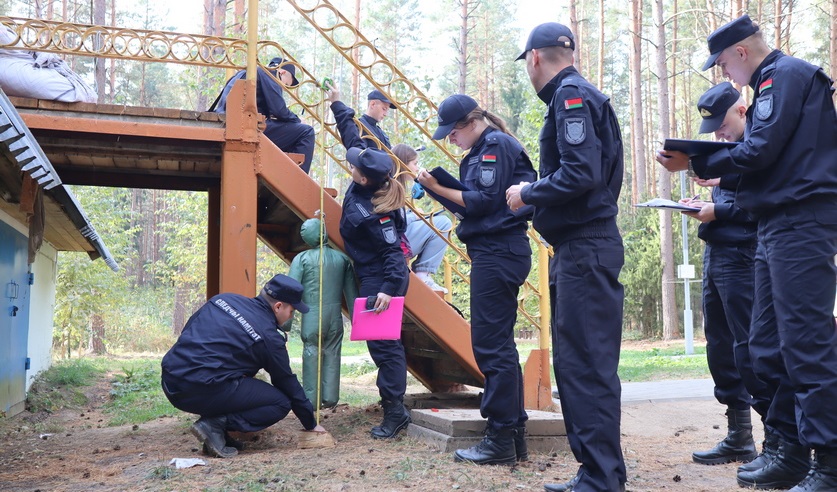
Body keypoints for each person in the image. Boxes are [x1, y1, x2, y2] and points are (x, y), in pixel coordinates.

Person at [656, 14, 837, 491]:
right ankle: (788, 451)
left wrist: (695, 158)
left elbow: (759, 150)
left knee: (808, 346)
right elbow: (762, 156)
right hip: (773, 223)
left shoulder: (785, 75)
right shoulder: (768, 86)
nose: (724, 73)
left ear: (740, 51)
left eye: (722, 63)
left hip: (801, 223)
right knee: (767, 346)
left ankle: (830, 463)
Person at [506, 22, 626, 491]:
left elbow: (580, 173)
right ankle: (596, 472)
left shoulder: (569, 96)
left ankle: (601, 478)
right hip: (582, 248)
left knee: (585, 367)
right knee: (580, 365)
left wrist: (528, 192)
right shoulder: (578, 94)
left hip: (585, 248)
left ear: (535, 58)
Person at [417, 94, 536, 465]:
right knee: (498, 346)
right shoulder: (485, 148)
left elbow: (483, 201)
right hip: (496, 251)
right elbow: (475, 204)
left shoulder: (494, 146)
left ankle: (501, 437)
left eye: (453, 132)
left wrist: (437, 187)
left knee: (490, 346)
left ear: (471, 123)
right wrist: (438, 189)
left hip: (499, 251)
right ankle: (511, 435)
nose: (451, 139)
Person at [680, 82, 773, 467]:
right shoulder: (728, 153)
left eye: (722, 125)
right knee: (720, 346)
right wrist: (704, 205)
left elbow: (760, 206)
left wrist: (717, 211)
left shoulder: (761, 146)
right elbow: (732, 199)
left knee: (752, 348)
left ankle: (777, 441)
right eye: (713, 129)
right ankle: (739, 436)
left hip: (745, 255)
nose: (718, 134)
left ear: (742, 110)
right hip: (717, 252)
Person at [160, 274, 327, 458]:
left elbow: (189, 331)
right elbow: (286, 382)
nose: (291, 317)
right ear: (278, 306)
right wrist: (311, 424)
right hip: (198, 388)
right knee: (279, 403)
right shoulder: (270, 337)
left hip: (170, 379)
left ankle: (217, 433)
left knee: (235, 379)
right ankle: (214, 425)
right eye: (292, 311)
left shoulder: (223, 300)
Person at [339, 146, 411, 439]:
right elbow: (354, 144)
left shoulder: (377, 215)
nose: (350, 167)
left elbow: (393, 254)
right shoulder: (362, 186)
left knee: (385, 348)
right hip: (372, 275)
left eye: (354, 167)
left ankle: (395, 413)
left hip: (383, 279)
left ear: (364, 179)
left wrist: (388, 290)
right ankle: (394, 409)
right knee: (380, 346)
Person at [288, 218, 358, 409]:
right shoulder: (342, 259)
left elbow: (290, 291)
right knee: (333, 352)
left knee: (311, 352)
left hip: (311, 316)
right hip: (334, 316)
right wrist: (358, 322)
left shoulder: (301, 259)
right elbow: (352, 294)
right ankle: (330, 398)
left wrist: (285, 324)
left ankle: (311, 401)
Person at [212, 57, 315, 173]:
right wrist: (297, 120)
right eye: (285, 84)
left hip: (233, 120)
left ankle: (285, 172)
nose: (283, 88)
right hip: (247, 126)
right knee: (306, 132)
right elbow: (279, 110)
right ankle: (298, 177)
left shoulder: (248, 72)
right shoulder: (270, 74)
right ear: (282, 72)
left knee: (291, 133)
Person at [391, 143, 452, 293]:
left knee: (439, 220)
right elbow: (392, 222)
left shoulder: (393, 183)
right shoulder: (391, 185)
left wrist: (411, 215)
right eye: (415, 163)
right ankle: (423, 274)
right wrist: (413, 217)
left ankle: (423, 274)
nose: (417, 168)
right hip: (392, 243)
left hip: (393, 241)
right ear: (403, 163)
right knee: (444, 223)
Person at [328, 85, 395, 150]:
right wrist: (336, 103)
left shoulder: (381, 132)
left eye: (387, 110)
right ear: (373, 104)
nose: (386, 114)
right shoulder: (359, 126)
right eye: (384, 109)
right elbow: (358, 150)